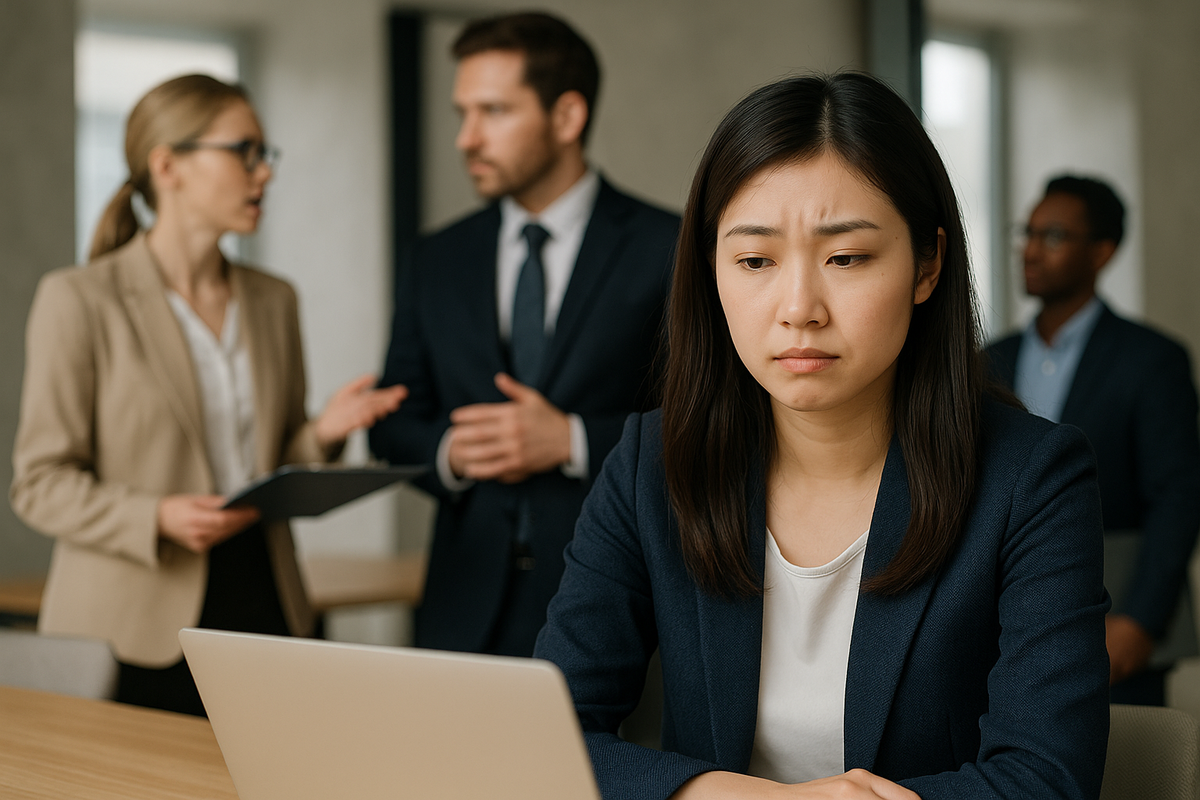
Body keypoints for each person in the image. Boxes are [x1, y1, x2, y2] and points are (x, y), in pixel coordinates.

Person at [533, 73, 1110, 799]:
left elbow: (1047, 778)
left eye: (847, 258)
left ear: (927, 265)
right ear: (711, 270)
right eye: (754, 261)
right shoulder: (653, 465)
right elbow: (550, 733)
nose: (799, 308)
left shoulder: (1032, 480)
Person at [10, 74, 406, 716]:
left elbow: (271, 457)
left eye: (265, 154)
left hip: (265, 597)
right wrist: (157, 516)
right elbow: (40, 483)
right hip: (132, 623)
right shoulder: (79, 299)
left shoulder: (275, 300)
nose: (264, 174)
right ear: (168, 166)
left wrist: (326, 431)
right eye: (244, 151)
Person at [369, 12, 679, 656]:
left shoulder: (671, 247)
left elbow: (712, 420)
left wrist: (571, 440)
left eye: (493, 112)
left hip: (621, 602)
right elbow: (392, 417)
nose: (466, 138)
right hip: (460, 605)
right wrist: (453, 452)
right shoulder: (437, 257)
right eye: (462, 113)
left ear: (566, 117)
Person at [985, 175, 1200, 706]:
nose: (1031, 250)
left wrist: (1141, 619)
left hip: (1116, 620)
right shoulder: (989, 361)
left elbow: (1177, 498)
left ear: (1102, 251)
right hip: (997, 624)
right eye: (1027, 233)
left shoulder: (1152, 360)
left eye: (1053, 236)